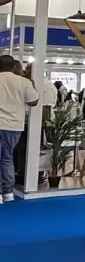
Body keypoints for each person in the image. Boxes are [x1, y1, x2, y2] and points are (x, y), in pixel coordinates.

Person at [0, 54, 39, 204]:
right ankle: (8, 192)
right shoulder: (23, 82)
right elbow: (34, 101)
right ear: (13, 66)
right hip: (14, 125)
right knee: (7, 157)